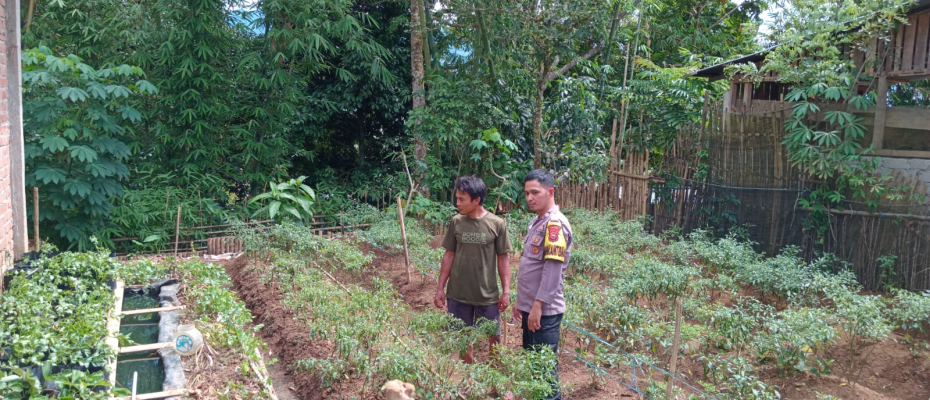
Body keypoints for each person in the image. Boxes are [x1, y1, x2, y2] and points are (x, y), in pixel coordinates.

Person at [434, 175, 512, 364]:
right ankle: (469, 375)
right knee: (463, 337)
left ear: (476, 200)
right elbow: (449, 255)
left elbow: (503, 259)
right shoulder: (456, 222)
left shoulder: (496, 224)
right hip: (458, 294)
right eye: (457, 198)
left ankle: (494, 373)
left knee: (494, 337)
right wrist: (440, 288)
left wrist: (506, 292)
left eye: (462, 199)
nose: (457, 203)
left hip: (487, 295)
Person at [512, 169, 572, 400]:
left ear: (550, 192)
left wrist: (537, 305)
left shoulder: (555, 225)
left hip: (544, 312)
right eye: (527, 193)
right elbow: (531, 268)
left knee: (545, 373)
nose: (530, 197)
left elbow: (552, 271)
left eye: (535, 192)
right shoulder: (537, 221)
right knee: (534, 367)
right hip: (532, 308)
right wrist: (522, 302)